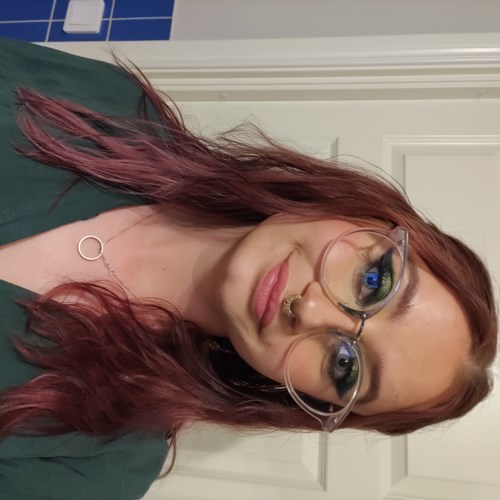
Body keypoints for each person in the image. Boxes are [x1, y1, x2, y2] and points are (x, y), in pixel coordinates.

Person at [0, 37, 496, 499]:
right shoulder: (110, 106)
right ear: (369, 216)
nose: (312, 311)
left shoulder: (95, 464)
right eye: (373, 281)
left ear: (305, 398)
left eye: (345, 367)